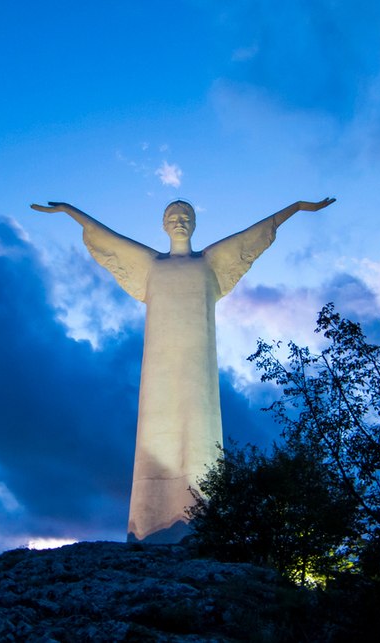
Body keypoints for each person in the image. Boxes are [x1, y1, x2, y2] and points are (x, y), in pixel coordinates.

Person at [32, 197, 335, 542]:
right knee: (155, 437)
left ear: (195, 223)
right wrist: (71, 211)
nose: (179, 221)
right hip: (158, 369)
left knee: (198, 435)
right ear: (163, 225)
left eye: (186, 216)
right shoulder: (151, 265)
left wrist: (294, 208)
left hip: (198, 368)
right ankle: (148, 529)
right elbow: (107, 237)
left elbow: (252, 235)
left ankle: (204, 528)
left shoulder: (208, 263)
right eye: (173, 216)